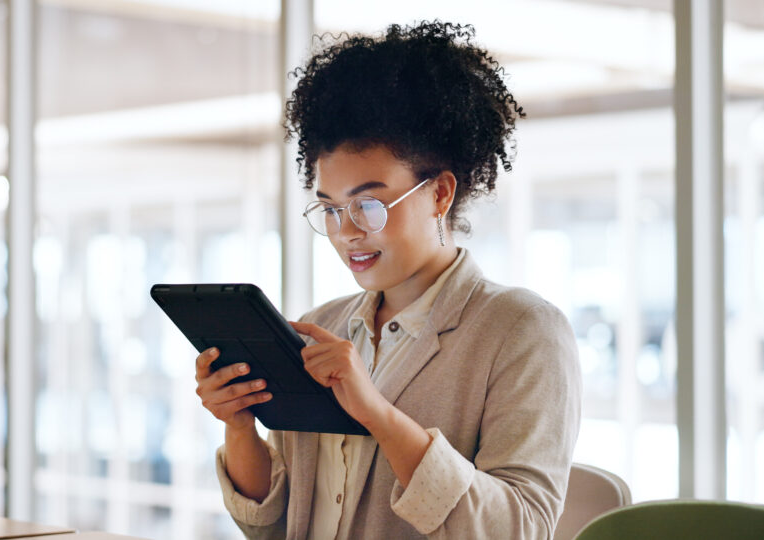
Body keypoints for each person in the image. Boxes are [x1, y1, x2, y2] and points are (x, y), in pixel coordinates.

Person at [194, 21, 581, 539]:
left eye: (369, 205)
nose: (346, 232)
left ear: (440, 193)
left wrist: (377, 413)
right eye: (330, 209)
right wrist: (239, 426)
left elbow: (521, 528)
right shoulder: (322, 326)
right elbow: (281, 526)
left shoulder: (522, 331)